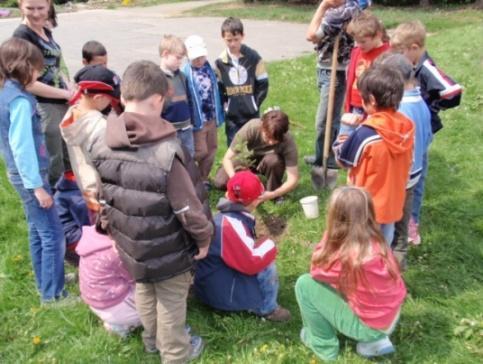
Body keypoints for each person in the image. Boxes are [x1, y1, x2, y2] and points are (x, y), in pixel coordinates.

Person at [87, 60, 213, 361]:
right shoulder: (165, 151)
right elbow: (186, 206)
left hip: (130, 244)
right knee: (171, 299)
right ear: (158, 100)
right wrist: (204, 237)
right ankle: (176, 353)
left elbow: (103, 195)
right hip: (168, 245)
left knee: (145, 288)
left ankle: (151, 340)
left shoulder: (102, 141)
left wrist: (109, 227)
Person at [295, 186, 406, 361]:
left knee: (304, 284)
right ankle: (376, 342)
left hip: (371, 326)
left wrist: (329, 236)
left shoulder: (346, 256)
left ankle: (324, 346)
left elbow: (316, 271)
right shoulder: (377, 240)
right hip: (390, 315)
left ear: (336, 218)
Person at [0, 37, 66, 303]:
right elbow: (22, 147)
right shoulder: (20, 102)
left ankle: (45, 282)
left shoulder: (6, 92)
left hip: (19, 175)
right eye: (37, 69)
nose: (39, 74)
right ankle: (54, 294)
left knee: (37, 229)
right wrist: (37, 186)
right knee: (53, 234)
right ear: (24, 67)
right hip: (31, 177)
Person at [390, 20, 463, 244]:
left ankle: (412, 221)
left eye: (401, 52)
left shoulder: (427, 67)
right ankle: (399, 213)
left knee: (417, 175)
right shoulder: (411, 65)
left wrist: (431, 107)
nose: (399, 57)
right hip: (408, 125)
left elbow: (453, 91)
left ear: (414, 47)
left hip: (421, 127)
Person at [195, 171, 291, 321]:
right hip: (222, 295)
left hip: (210, 284)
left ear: (228, 194)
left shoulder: (222, 217)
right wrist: (270, 243)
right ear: (256, 201)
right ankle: (268, 308)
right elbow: (251, 263)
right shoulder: (231, 225)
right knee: (266, 264)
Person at [334, 64, 414, 245]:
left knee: (363, 252)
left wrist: (346, 128)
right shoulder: (406, 126)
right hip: (393, 204)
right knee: (384, 246)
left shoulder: (365, 134)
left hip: (366, 209)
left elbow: (341, 159)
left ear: (371, 99)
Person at [374, 53, 432, 269]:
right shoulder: (421, 103)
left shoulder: (401, 110)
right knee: (401, 227)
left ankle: (386, 272)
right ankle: (398, 267)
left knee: (389, 227)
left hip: (398, 179)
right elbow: (428, 140)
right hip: (413, 176)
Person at [13, 0, 73, 187]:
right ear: (20, 6)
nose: (37, 14)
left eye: (41, 8)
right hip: (44, 105)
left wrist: (70, 87)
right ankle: (57, 199)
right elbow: (28, 83)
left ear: (49, 6)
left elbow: (56, 64)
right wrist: (64, 94)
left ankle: (71, 194)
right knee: (54, 159)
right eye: (30, 9)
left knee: (68, 152)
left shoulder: (44, 29)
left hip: (60, 98)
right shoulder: (22, 36)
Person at [304, 0, 360, 187]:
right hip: (324, 66)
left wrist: (323, 6)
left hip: (336, 71)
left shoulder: (342, 11)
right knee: (326, 119)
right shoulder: (340, 8)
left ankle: (328, 161)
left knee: (326, 121)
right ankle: (321, 156)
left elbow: (311, 35)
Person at [60, 65, 120, 213]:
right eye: (110, 99)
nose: (112, 103)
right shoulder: (100, 127)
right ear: (98, 98)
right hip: (103, 193)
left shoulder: (73, 114)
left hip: (87, 188)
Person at [213, 109, 299, 203]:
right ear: (262, 127)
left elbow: (293, 179)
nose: (270, 142)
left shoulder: (287, 140)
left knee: (274, 161)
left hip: (269, 161)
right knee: (220, 182)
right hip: (247, 158)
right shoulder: (252, 127)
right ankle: (252, 182)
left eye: (275, 140)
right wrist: (235, 179)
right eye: (268, 137)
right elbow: (227, 158)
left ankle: (273, 190)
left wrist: (274, 193)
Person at [77, 225, 141, 338]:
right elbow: (136, 278)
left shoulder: (92, 238)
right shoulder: (115, 251)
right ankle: (121, 325)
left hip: (95, 300)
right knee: (153, 307)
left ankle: (117, 321)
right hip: (113, 304)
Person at [215, 17, 269, 146]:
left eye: (236, 39)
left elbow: (263, 84)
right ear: (222, 38)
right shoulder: (220, 63)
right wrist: (226, 107)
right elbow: (220, 89)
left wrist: (254, 104)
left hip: (251, 114)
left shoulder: (254, 58)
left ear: (242, 36)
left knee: (254, 146)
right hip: (232, 117)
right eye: (229, 40)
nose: (233, 44)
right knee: (234, 148)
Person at [338, 11, 390, 141]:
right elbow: (351, 79)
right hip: (354, 108)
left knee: (366, 144)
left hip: (374, 109)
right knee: (344, 144)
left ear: (378, 35)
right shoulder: (356, 52)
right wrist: (347, 105)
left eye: (363, 42)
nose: (359, 45)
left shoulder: (387, 54)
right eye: (356, 42)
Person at [182, 35, 224, 185]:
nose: (199, 61)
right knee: (201, 151)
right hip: (198, 120)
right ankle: (190, 177)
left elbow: (217, 91)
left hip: (211, 117)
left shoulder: (210, 70)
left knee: (212, 149)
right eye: (195, 58)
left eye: (201, 57)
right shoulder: (185, 73)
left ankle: (203, 178)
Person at [159, 34, 195, 156]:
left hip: (186, 128)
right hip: (168, 131)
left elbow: (190, 100)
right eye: (178, 58)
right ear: (165, 54)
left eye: (182, 59)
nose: (180, 62)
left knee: (189, 157)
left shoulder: (182, 77)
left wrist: (192, 121)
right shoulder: (157, 79)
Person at [53, 170, 91, 266]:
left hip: (60, 241)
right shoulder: (78, 199)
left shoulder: (64, 190)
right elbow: (87, 226)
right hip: (71, 242)